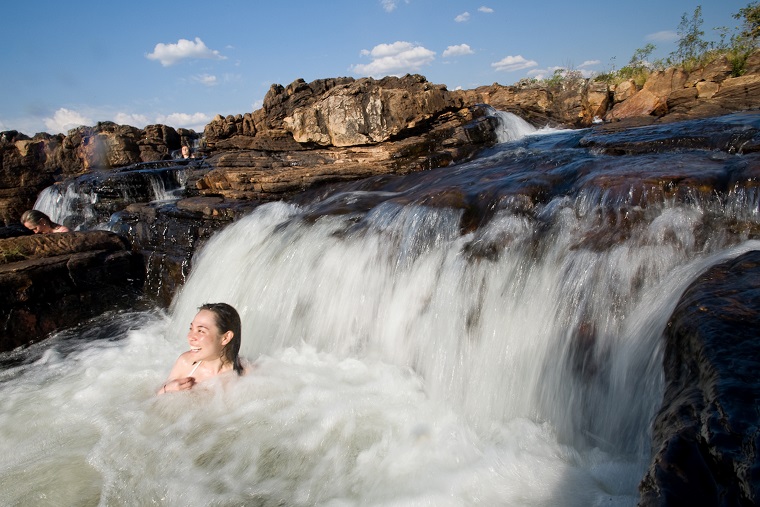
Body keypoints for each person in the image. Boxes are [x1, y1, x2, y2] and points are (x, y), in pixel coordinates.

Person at [158, 302, 245, 394]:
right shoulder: (185, 363)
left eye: (201, 331)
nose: (190, 337)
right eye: (191, 329)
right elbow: (154, 403)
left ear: (225, 338)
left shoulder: (243, 374)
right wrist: (166, 389)